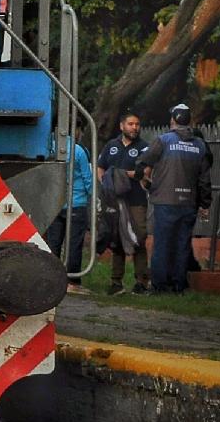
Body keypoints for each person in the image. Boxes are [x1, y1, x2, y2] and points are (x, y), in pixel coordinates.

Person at [138, 103, 213, 295]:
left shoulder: (163, 141)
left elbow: (143, 163)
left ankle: (159, 286)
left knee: (162, 245)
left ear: (173, 119)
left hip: (165, 201)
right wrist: (205, 204)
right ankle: (179, 286)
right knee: (182, 245)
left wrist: (145, 181)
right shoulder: (200, 146)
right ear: (189, 120)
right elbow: (205, 180)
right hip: (188, 203)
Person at [96, 112, 151, 293]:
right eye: (130, 124)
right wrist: (106, 183)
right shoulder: (111, 145)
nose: (134, 127)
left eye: (137, 124)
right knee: (116, 239)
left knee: (139, 238)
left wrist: (118, 173)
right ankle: (116, 283)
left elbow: (143, 172)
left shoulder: (144, 147)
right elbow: (101, 167)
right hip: (114, 201)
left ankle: (141, 283)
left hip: (136, 200)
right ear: (122, 126)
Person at [43, 139, 93, 292]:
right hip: (76, 204)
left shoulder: (47, 148)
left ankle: (51, 280)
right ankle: (72, 281)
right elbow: (87, 179)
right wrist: (95, 198)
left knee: (53, 243)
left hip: (54, 203)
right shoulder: (78, 150)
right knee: (74, 245)